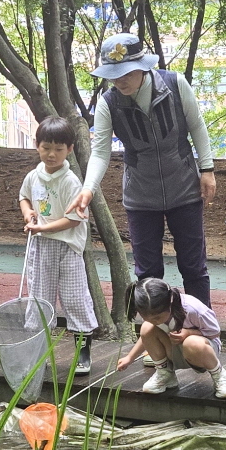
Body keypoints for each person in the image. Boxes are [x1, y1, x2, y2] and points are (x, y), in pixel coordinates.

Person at [68, 33, 217, 307]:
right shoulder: (108, 103)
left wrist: (206, 169)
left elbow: (197, 126)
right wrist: (88, 189)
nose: (119, 80)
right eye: (113, 74)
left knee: (193, 266)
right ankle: (155, 336)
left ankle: (203, 333)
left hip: (184, 187)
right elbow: (100, 151)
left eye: (125, 73)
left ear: (143, 67)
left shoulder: (175, 84)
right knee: (147, 272)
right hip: (140, 196)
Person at [19, 115, 98, 375]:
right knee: (39, 299)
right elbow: (24, 198)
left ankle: (82, 353)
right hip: (40, 248)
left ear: (70, 149)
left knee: (75, 299)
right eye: (46, 147)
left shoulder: (71, 181)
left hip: (67, 248)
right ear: (37, 144)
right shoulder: (33, 176)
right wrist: (28, 214)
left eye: (58, 149)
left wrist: (42, 227)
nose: (51, 154)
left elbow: (73, 220)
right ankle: (37, 352)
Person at [114, 277, 226, 399]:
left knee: (192, 342)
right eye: (146, 317)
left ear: (170, 302)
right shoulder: (153, 316)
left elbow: (214, 333)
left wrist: (188, 333)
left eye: (157, 318)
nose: (154, 321)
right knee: (146, 328)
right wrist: (129, 358)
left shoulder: (193, 309)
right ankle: (165, 373)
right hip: (175, 350)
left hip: (203, 352)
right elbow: (146, 337)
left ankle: (219, 376)